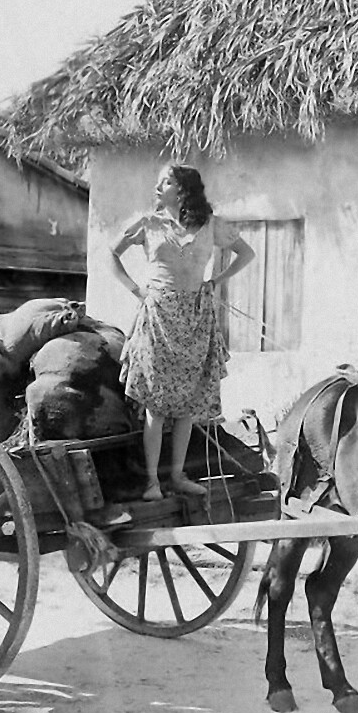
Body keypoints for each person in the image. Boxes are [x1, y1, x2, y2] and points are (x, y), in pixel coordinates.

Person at [110, 164, 255, 501]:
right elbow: (111, 254)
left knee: (187, 405)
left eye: (167, 181)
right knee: (156, 406)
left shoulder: (210, 225)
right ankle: (152, 483)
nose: (158, 186)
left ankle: (177, 476)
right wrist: (136, 290)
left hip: (195, 316)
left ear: (184, 189)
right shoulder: (148, 224)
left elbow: (246, 253)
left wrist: (216, 282)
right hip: (158, 316)